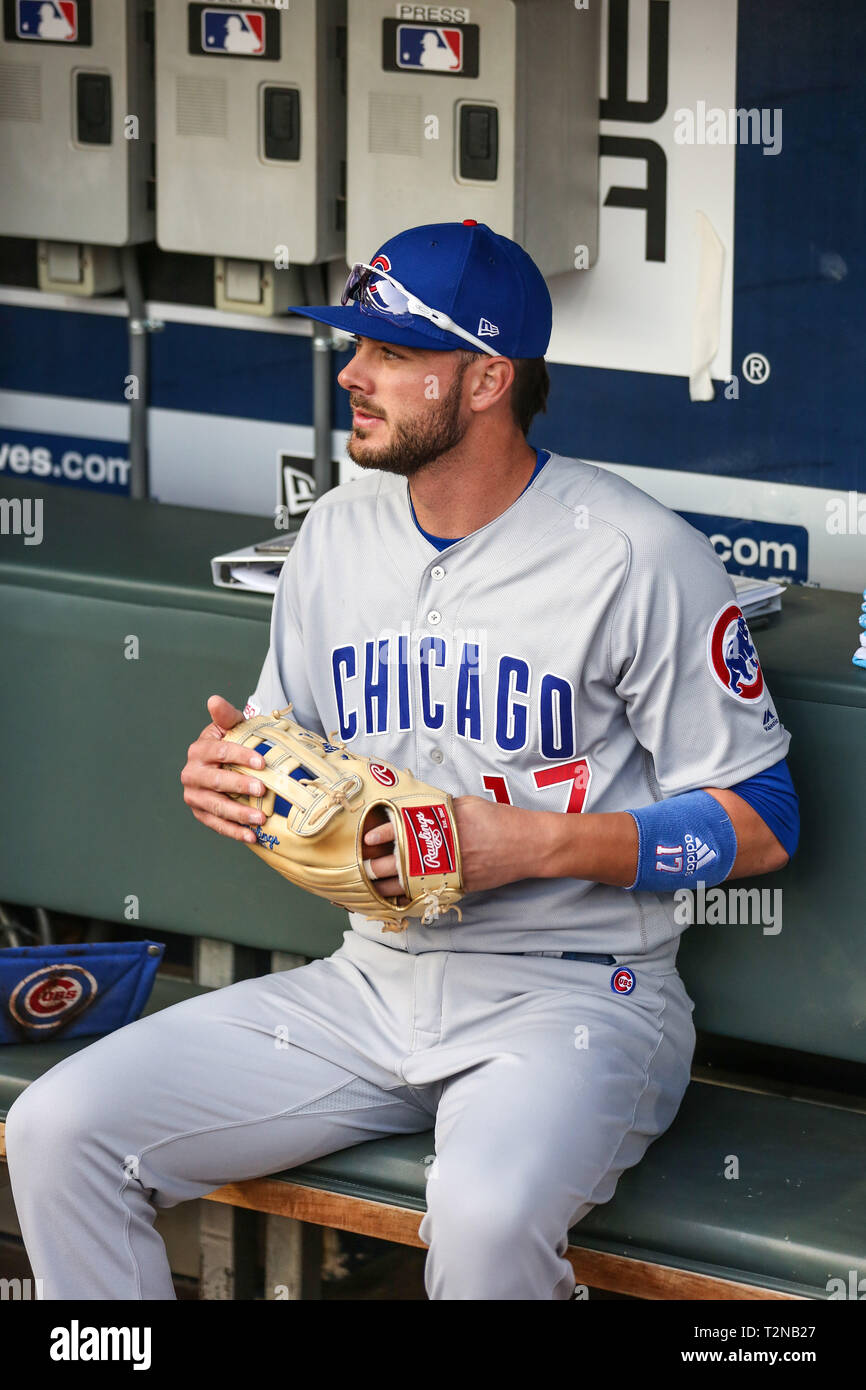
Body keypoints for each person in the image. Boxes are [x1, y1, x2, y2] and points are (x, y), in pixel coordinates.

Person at [5, 221, 799, 1300]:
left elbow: (759, 820)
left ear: (484, 378)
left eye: (389, 352)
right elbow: (291, 753)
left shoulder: (635, 555)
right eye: (354, 344)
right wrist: (240, 782)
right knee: (57, 1130)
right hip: (370, 984)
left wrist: (536, 844)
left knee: (477, 1228)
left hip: (574, 999)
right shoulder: (335, 531)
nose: (353, 373)